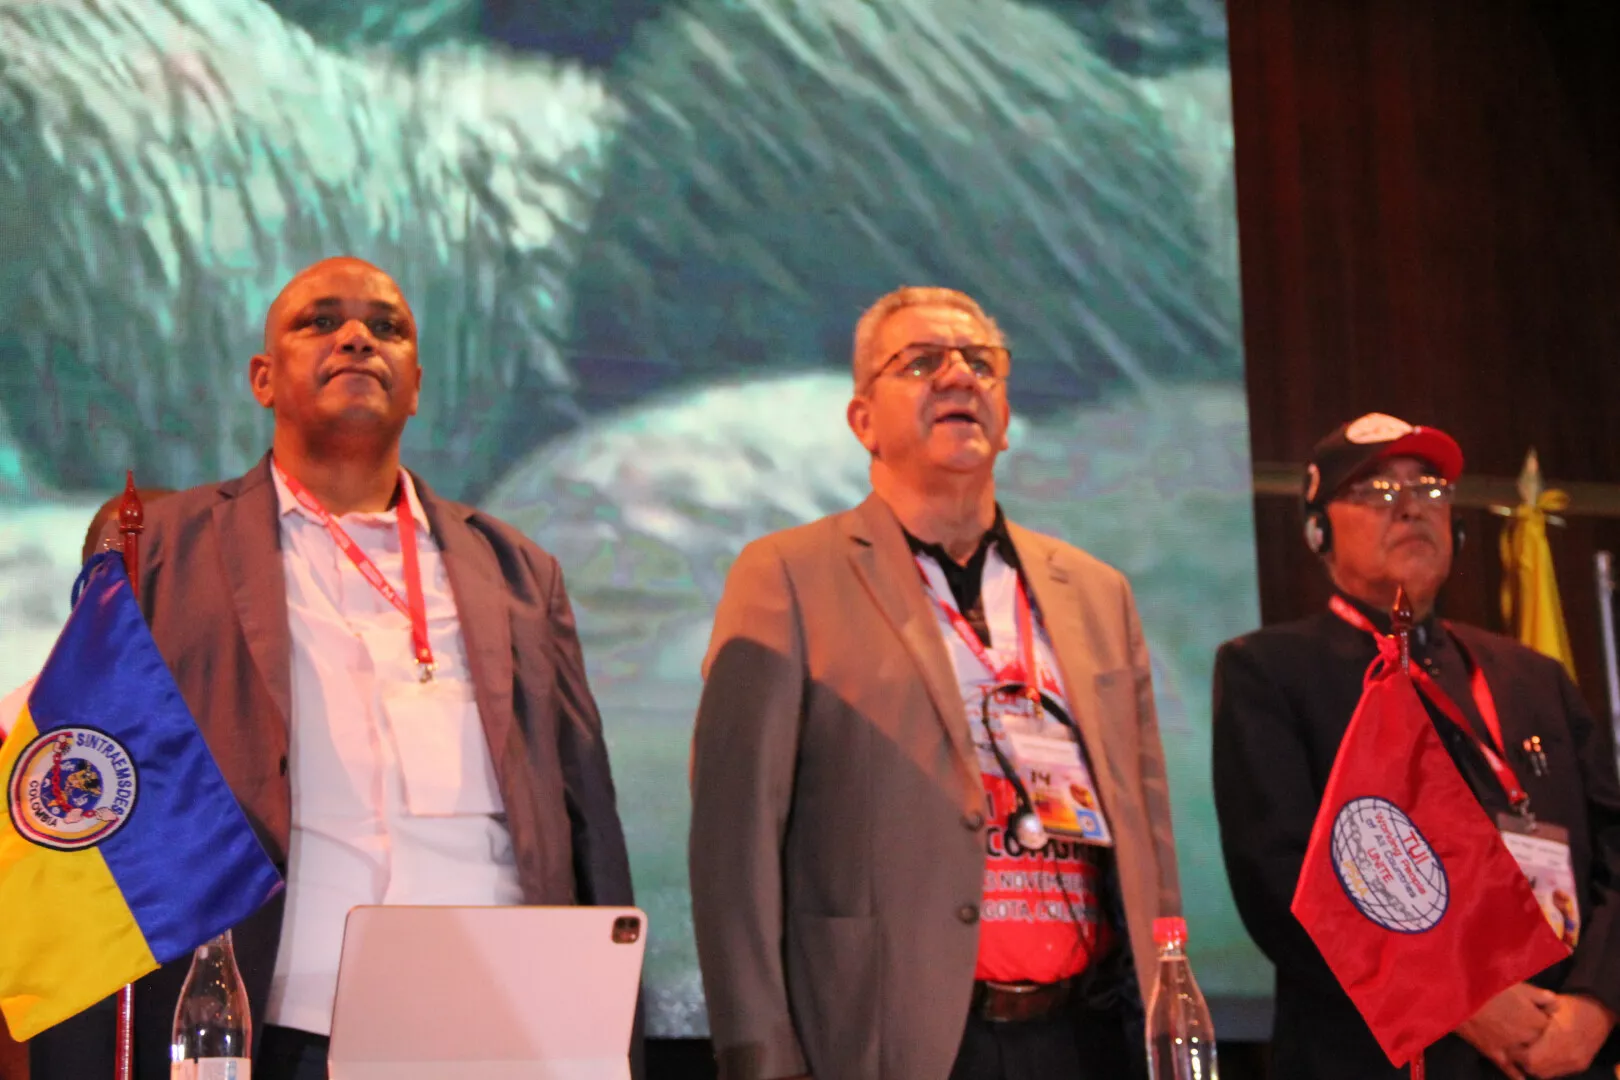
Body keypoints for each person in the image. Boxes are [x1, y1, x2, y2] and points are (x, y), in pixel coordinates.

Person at [29, 257, 638, 1080]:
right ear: (262, 379)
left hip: (503, 1032)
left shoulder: (518, 573)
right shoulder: (160, 553)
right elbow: (79, 818)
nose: (356, 337)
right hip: (272, 1030)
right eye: (319, 322)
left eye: (387, 328)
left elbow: (588, 827)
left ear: (416, 386)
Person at [688, 286, 1181, 1080]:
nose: (958, 377)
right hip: (895, 1040)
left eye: (981, 364)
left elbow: (1147, 830)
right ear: (863, 421)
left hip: (1086, 1038)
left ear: (1006, 414)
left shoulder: (1097, 592)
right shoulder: (788, 576)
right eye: (920, 363)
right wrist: (759, 1057)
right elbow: (732, 843)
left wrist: (1172, 1014)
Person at [1212, 413, 1620, 1079]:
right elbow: (1280, 880)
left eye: (1429, 488)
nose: (1409, 507)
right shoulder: (1270, 671)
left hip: (1564, 1050)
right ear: (1318, 531)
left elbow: (1614, 851)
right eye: (1375, 491)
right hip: (1379, 1057)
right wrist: (1461, 999)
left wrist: (1598, 1003)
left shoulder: (1533, 676)